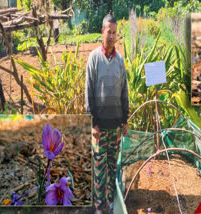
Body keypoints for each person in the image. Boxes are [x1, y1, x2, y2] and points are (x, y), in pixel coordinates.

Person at [85, 14, 129, 214]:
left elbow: (124, 91)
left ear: (116, 35)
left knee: (113, 169)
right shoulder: (94, 58)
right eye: (108, 31)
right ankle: (98, 206)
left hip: (116, 127)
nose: (111, 36)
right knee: (99, 169)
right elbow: (88, 92)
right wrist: (93, 122)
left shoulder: (120, 61)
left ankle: (111, 204)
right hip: (100, 128)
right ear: (102, 32)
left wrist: (125, 120)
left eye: (114, 32)